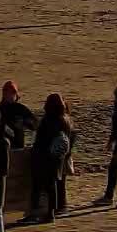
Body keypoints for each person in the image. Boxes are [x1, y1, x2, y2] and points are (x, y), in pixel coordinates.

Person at [27, 93, 74, 222]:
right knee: (52, 185)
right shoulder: (66, 120)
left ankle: (35, 213)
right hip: (58, 158)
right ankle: (51, 212)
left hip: (44, 157)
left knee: (38, 186)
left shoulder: (48, 120)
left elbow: (42, 139)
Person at [0, 81, 37, 149]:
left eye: (12, 92)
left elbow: (34, 125)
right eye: (6, 91)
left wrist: (24, 123)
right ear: (3, 93)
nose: (8, 94)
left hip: (17, 146)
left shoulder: (21, 109)